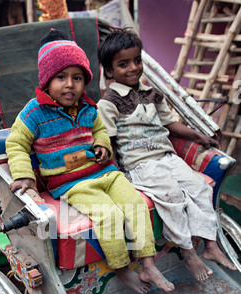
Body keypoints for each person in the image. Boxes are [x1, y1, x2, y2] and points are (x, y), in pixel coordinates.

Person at [6, 28, 175, 294]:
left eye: (77, 78)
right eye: (61, 77)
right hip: (72, 184)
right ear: (47, 80)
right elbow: (16, 143)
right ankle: (121, 269)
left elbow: (99, 131)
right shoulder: (33, 113)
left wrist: (101, 145)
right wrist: (25, 176)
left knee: (135, 204)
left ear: (86, 81)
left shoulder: (88, 107)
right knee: (108, 215)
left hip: (106, 172)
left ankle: (148, 263)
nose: (70, 84)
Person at [97, 28, 236, 281]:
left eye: (137, 61)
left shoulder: (152, 93)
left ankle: (211, 246)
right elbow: (107, 140)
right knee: (171, 195)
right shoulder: (109, 102)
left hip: (168, 157)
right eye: (123, 64)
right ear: (109, 71)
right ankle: (188, 252)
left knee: (200, 187)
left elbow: (169, 123)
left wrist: (198, 135)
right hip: (140, 164)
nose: (133, 68)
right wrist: (117, 174)